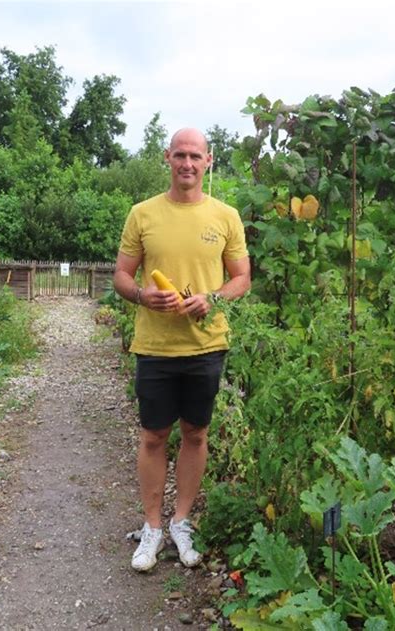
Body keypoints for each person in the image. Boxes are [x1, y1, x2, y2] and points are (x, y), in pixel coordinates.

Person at [113, 128, 250, 572]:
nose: (187, 163)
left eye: (195, 156)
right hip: (154, 345)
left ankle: (181, 521)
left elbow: (241, 278)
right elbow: (121, 275)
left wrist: (213, 299)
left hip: (205, 343)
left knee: (196, 434)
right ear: (167, 158)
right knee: (154, 436)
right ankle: (152, 527)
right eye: (179, 155)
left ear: (208, 161)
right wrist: (141, 297)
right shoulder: (142, 214)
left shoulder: (226, 216)